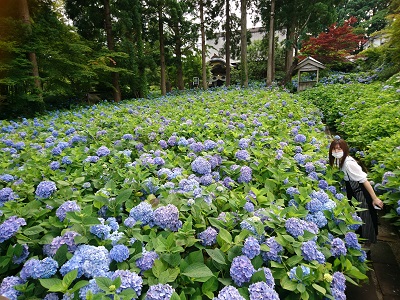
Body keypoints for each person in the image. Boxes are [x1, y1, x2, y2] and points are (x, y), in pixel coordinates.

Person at [329, 137, 384, 244]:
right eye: (334, 149)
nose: (336, 151)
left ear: (344, 150)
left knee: (365, 221)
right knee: (359, 221)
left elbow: (364, 181)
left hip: (360, 195)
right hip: (354, 194)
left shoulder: (349, 163)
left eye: (339, 149)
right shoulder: (341, 161)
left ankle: (366, 251)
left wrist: (375, 199)